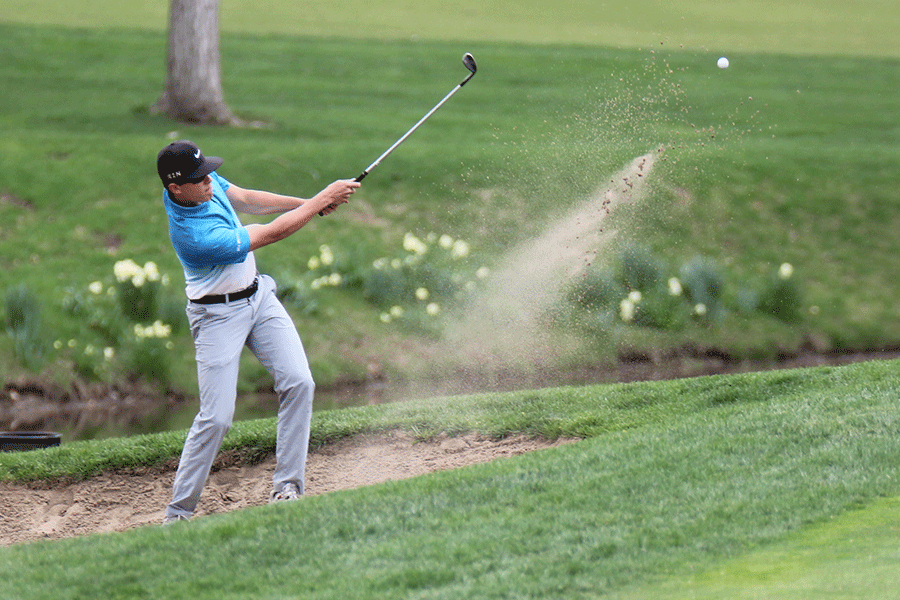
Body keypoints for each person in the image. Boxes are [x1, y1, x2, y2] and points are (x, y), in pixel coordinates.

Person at [156, 140, 359, 524]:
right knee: (217, 418)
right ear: (175, 189)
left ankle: (287, 489)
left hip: (258, 297)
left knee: (300, 382)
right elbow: (269, 234)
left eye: (207, 173)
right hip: (216, 317)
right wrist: (318, 201)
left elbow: (247, 198)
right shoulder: (193, 237)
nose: (209, 182)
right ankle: (178, 514)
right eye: (199, 180)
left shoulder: (201, 181)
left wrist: (306, 201)